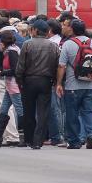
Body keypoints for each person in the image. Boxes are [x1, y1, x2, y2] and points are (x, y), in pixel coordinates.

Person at [57, 19, 92, 150]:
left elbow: (61, 66)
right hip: (91, 85)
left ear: (72, 29)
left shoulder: (68, 44)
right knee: (90, 111)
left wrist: (59, 83)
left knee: (72, 113)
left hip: (73, 86)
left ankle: (74, 141)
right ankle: (91, 134)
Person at [15, 19, 59, 149]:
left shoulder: (27, 44)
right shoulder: (53, 46)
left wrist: (20, 81)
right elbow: (57, 66)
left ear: (35, 30)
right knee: (43, 112)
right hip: (46, 81)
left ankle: (28, 139)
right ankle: (38, 140)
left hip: (29, 81)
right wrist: (55, 81)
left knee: (28, 111)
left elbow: (20, 66)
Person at [0, 30, 23, 147]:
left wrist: (1, 73)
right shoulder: (10, 51)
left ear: (2, 42)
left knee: (20, 111)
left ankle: (28, 137)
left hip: (14, 87)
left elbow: (15, 70)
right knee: (3, 111)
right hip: (9, 86)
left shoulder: (12, 52)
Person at [45, 18, 65, 146]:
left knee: (55, 108)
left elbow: (57, 64)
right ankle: (56, 135)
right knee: (58, 108)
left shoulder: (53, 43)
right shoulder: (60, 41)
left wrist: (57, 82)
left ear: (50, 30)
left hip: (54, 79)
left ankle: (57, 136)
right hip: (59, 79)